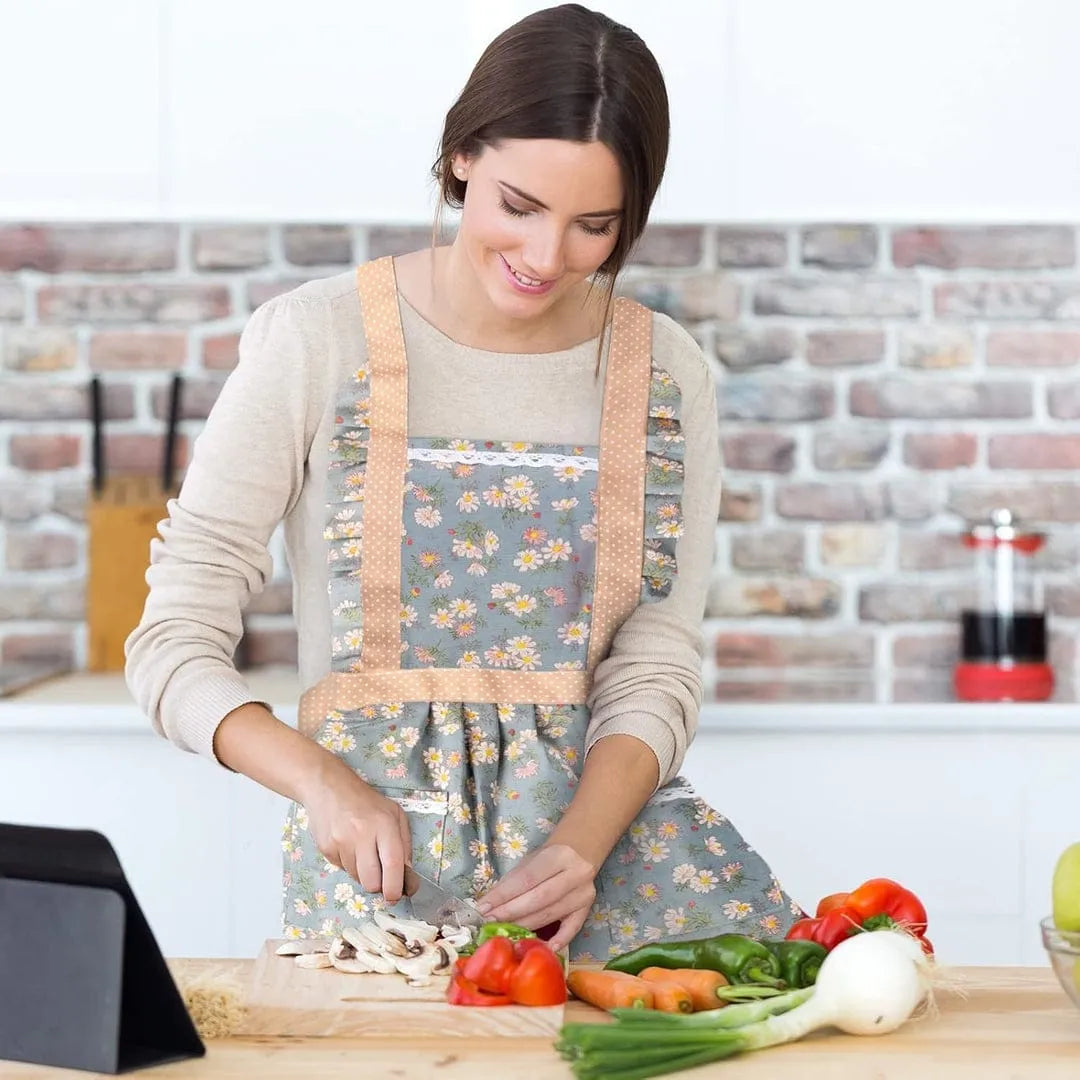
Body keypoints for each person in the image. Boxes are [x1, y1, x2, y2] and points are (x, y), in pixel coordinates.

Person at [126, 3, 801, 961]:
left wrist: (581, 844)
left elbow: (655, 658)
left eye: (593, 227)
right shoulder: (317, 340)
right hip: (378, 899)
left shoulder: (662, 373)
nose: (544, 257)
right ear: (460, 161)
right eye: (519, 207)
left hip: (601, 884)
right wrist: (322, 782)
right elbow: (172, 643)